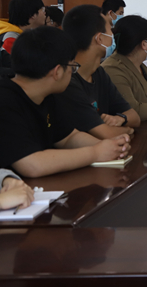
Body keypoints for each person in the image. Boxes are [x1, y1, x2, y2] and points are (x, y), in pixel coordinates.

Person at [0, 26, 130, 178]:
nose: (72, 72)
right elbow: (32, 164)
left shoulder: (48, 95)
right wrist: (95, 153)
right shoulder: (5, 99)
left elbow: (68, 137)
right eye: (72, 67)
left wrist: (108, 146)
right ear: (57, 72)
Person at [55, 4, 140, 137]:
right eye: (110, 30)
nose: (112, 35)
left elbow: (134, 117)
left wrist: (121, 119)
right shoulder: (67, 80)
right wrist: (127, 130)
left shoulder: (99, 73)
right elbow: (104, 134)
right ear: (99, 38)